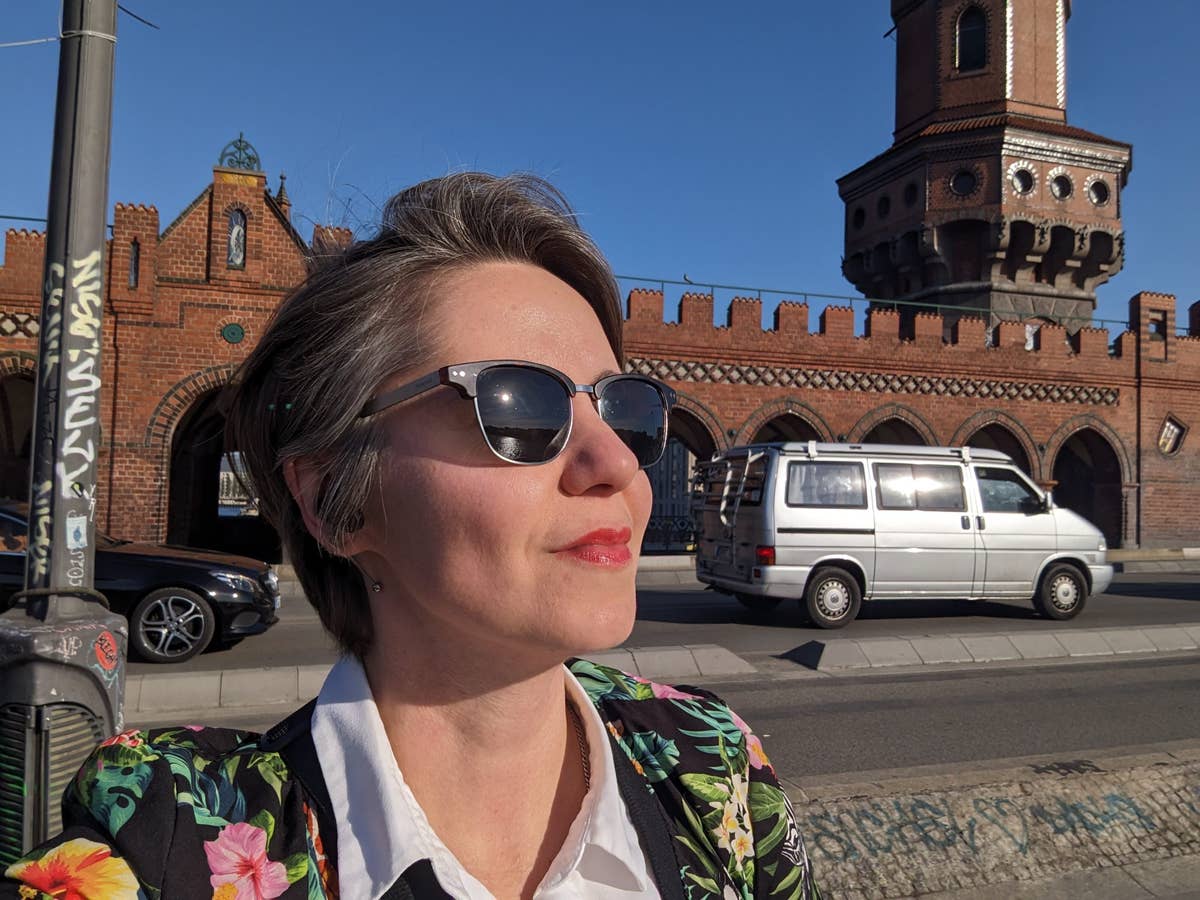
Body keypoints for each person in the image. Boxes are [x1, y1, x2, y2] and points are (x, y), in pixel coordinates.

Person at [1, 173, 820, 899]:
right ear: (336, 501)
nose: (617, 463)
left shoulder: (711, 766)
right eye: (517, 407)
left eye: (626, 410)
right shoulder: (172, 845)